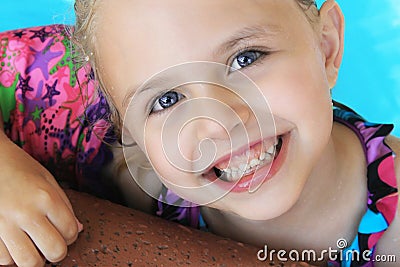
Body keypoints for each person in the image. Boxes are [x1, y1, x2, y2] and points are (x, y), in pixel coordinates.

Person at [0, 0, 398, 266]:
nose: (215, 121)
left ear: (326, 47)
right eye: (168, 100)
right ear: (127, 129)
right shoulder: (82, 100)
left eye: (245, 59)